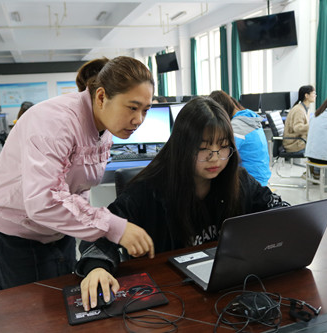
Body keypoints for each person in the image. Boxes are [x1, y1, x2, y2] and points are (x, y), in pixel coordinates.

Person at [75, 97, 289, 310]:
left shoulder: (239, 180)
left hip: (228, 289)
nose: (215, 158)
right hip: (170, 295)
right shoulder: (148, 190)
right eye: (204, 148)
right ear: (183, 148)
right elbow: (100, 231)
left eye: (223, 147)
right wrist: (96, 269)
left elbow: (276, 210)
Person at [0, 56, 156, 290]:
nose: (139, 120)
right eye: (132, 108)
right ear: (102, 96)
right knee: (33, 313)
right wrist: (114, 227)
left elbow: (78, 187)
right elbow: (43, 201)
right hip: (16, 231)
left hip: (58, 228)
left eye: (145, 110)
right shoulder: (55, 123)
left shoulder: (106, 127)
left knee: (64, 301)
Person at [209, 90, 271, 186]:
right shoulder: (248, 117)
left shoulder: (238, 125)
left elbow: (224, 155)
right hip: (261, 177)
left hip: (252, 181)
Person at [283, 85, 316, 154]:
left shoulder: (304, 108)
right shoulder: (299, 110)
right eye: (313, 93)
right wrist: (313, 125)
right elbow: (297, 128)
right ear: (306, 95)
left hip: (299, 140)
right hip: (294, 144)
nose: (315, 95)